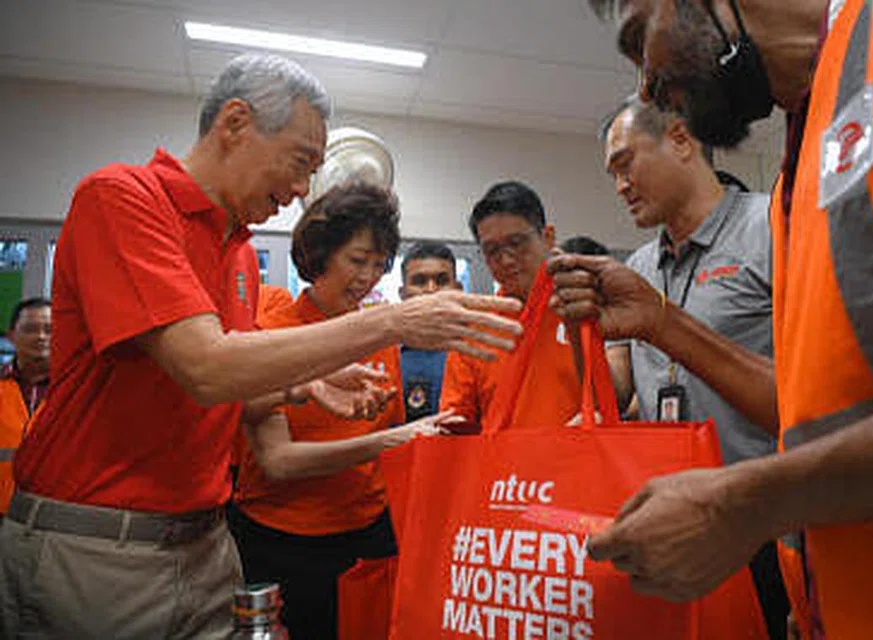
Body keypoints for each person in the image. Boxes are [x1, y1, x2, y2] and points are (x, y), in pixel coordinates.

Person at [0, 53, 521, 638]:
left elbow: (226, 398)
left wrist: (305, 385)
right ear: (236, 123)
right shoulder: (122, 198)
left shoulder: (239, 251)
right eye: (300, 162)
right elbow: (205, 368)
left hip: (207, 539)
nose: (302, 191)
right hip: (101, 544)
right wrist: (393, 324)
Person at [548, 0, 873, 637]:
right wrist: (813, 586)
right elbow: (811, 414)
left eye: (639, 39)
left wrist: (754, 503)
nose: (647, 86)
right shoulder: (801, 159)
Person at [601, 98, 788, 638]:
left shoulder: (770, 226)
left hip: (767, 523)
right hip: (674, 526)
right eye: (611, 174)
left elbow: (815, 400)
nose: (620, 186)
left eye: (625, 163)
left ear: (681, 140)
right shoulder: (636, 268)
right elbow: (624, 388)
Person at [230, 182, 451, 639]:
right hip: (285, 540)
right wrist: (387, 441)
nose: (367, 277)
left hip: (368, 535)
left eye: (378, 265)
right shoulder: (274, 332)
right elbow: (278, 461)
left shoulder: (378, 333)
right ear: (318, 255)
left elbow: (386, 435)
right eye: (356, 260)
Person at [440, 181, 582, 431]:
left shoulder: (582, 306)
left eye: (516, 243)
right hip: (501, 467)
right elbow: (455, 422)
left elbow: (616, 394)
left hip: (577, 461)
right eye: (492, 251)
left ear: (547, 237)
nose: (505, 259)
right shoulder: (475, 327)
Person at [398, 240, 462, 421]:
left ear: (457, 289)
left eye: (442, 281)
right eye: (419, 281)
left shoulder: (480, 351)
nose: (431, 290)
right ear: (403, 294)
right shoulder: (383, 355)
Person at [0, 298, 50, 516]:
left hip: (50, 518)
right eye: (30, 329)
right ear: (12, 336)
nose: (41, 337)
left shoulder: (74, 391)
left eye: (49, 330)